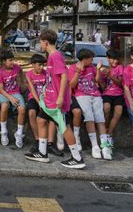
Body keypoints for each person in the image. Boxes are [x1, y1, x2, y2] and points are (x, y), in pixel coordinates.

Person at [24, 29, 85, 169]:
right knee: (41, 120)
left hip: (56, 101)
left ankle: (77, 158)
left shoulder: (56, 56)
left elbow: (64, 76)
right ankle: (42, 152)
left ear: (45, 42)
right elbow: (52, 79)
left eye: (40, 41)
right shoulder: (51, 56)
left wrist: (60, 98)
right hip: (49, 100)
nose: (39, 44)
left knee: (64, 127)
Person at [68, 49, 112, 160]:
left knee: (100, 119)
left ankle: (105, 146)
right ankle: (95, 146)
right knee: (89, 118)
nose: (92, 61)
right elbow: (71, 85)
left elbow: (97, 80)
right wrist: (78, 72)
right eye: (91, 59)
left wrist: (97, 70)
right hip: (82, 95)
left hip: (95, 95)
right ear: (85, 59)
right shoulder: (73, 68)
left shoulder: (92, 67)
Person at [25, 54, 64, 157]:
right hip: (34, 98)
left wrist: (45, 101)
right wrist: (39, 103)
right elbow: (32, 90)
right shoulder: (28, 74)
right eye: (39, 65)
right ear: (33, 64)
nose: (41, 67)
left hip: (47, 98)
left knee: (51, 116)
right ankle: (37, 139)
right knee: (31, 113)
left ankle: (50, 144)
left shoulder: (46, 73)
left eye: (43, 65)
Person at [0, 50, 26, 148]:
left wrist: (22, 83)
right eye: (10, 60)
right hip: (3, 94)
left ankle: (19, 134)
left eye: (13, 60)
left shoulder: (17, 68)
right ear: (3, 61)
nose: (12, 62)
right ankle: (3, 132)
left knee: (22, 109)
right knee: (4, 106)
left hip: (15, 93)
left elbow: (21, 75)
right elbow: (1, 89)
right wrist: (10, 98)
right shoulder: (0, 73)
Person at [98, 49, 124, 147]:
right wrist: (100, 77)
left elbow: (120, 83)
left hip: (119, 94)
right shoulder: (105, 69)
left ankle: (109, 133)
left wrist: (110, 75)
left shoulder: (120, 68)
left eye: (116, 59)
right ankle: (105, 128)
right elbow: (104, 87)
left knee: (118, 112)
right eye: (112, 59)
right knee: (106, 108)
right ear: (108, 59)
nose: (115, 61)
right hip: (107, 94)